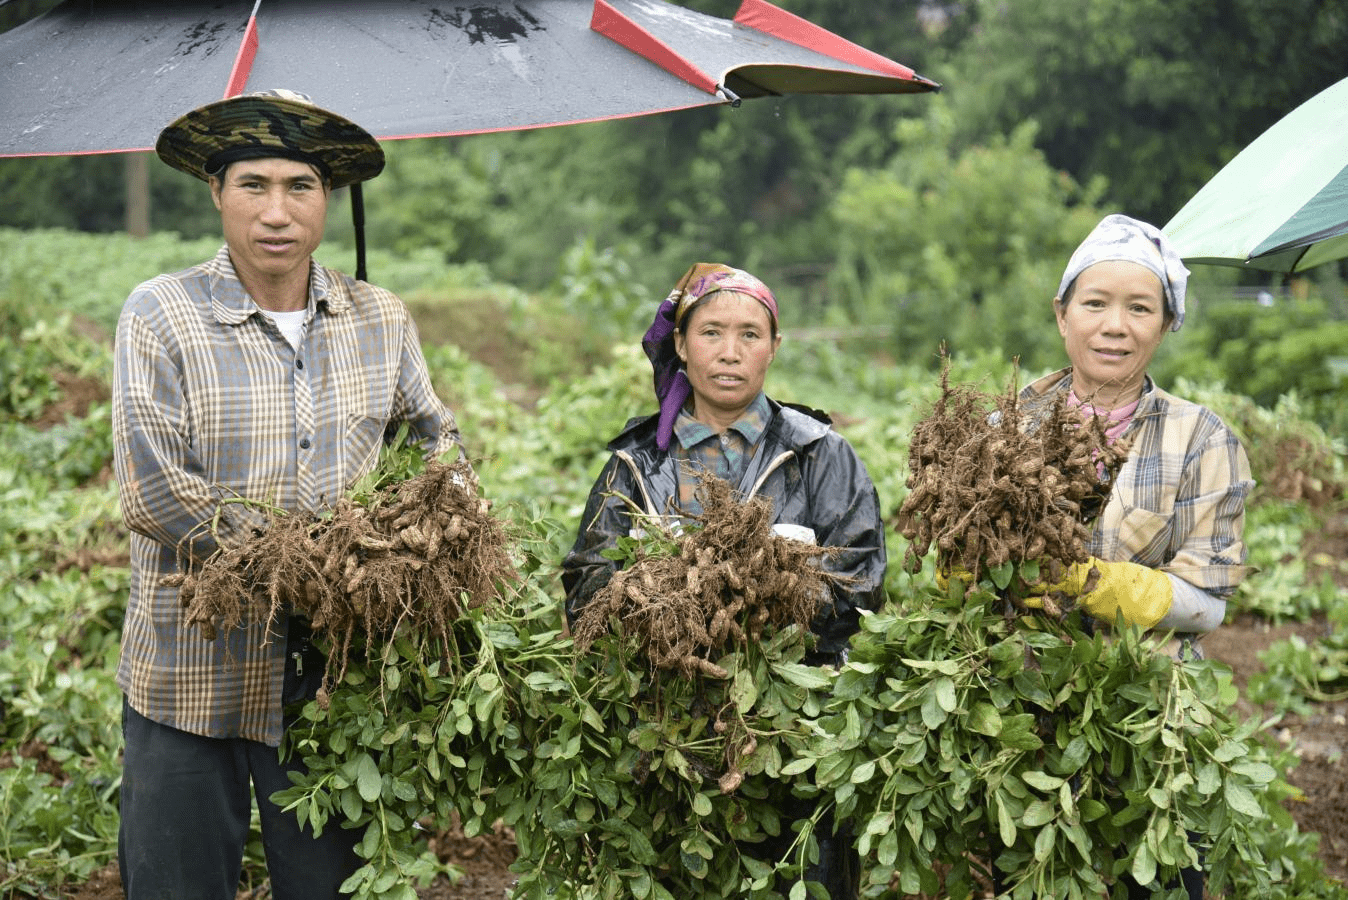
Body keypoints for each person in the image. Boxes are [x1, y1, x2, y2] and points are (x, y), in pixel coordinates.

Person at [112, 89, 463, 899]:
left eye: (299, 186)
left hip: (332, 681)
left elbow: (435, 442)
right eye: (254, 185)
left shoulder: (380, 318)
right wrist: (311, 560)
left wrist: (433, 524)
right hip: (188, 675)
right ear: (217, 194)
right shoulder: (161, 315)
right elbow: (154, 493)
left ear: (328, 200)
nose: (277, 211)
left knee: (330, 886)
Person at [561, 263, 887, 899]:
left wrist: (761, 598)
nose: (731, 352)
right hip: (665, 726)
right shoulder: (636, 463)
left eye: (749, 334)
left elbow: (859, 583)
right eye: (711, 332)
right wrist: (663, 598)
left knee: (795, 873)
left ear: (774, 347)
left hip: (792, 729)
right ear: (682, 345)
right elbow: (587, 584)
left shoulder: (820, 454)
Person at [1019, 213, 1255, 899]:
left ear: (1165, 324)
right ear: (1062, 315)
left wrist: (1101, 585)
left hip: (1150, 714)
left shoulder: (1204, 439)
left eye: (1139, 308)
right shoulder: (1007, 427)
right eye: (1094, 304)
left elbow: (1208, 604)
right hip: (1019, 704)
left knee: (1159, 880)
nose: (1114, 325)